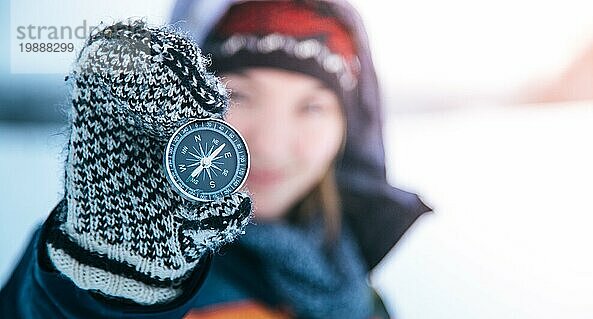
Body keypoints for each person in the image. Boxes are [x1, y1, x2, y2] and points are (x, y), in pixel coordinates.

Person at [0, 1, 431, 318]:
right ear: (188, 106)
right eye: (238, 95)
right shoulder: (85, 251)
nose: (271, 145)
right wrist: (111, 290)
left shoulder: (348, 269)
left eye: (312, 107)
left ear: (347, 130)